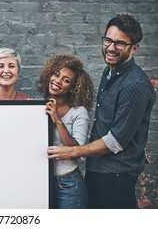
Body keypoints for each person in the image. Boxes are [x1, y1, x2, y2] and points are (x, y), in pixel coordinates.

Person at [47, 14, 156, 209]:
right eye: (108, 40)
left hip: (116, 176)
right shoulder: (110, 70)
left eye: (120, 43)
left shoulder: (135, 84)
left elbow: (116, 141)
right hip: (98, 170)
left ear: (134, 48)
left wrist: (72, 151)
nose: (111, 48)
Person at [37, 53, 94, 209]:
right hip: (41, 181)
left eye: (66, 80)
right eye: (56, 75)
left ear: (73, 88)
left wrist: (57, 119)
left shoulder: (78, 112)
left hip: (68, 184)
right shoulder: (40, 105)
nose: (58, 81)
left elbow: (77, 150)